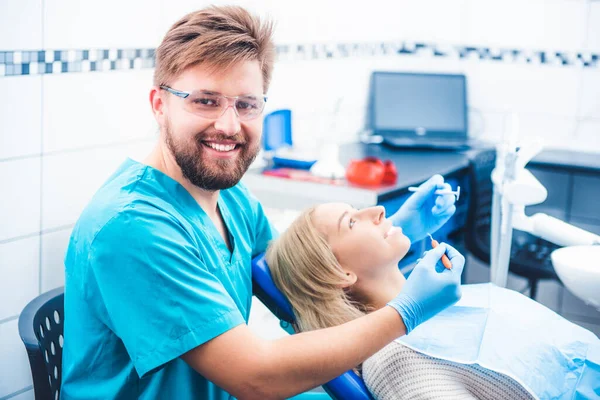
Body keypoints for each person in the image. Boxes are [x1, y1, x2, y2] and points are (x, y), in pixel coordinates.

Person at [61, 6, 462, 400]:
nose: (229, 125)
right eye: (205, 100)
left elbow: (299, 279)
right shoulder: (132, 226)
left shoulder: (232, 200)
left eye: (247, 104)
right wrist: (405, 313)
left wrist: (393, 235)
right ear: (159, 104)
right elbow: (256, 377)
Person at [266, 203, 600, 400]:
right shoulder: (393, 359)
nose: (380, 210)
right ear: (340, 272)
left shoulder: (440, 299)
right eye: (352, 222)